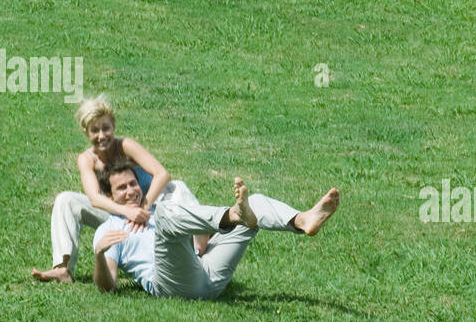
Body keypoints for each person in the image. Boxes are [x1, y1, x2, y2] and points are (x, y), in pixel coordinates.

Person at [91, 159, 340, 300]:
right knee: (168, 211)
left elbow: (201, 244)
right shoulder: (109, 228)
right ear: (108, 195)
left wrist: (200, 235)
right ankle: (232, 215)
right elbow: (107, 287)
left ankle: (301, 220)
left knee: (254, 203)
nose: (131, 191)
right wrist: (100, 255)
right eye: (121, 188)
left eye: (133, 183)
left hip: (207, 273)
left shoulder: (156, 209)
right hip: (171, 286)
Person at [31, 96, 206, 283]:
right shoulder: (87, 159)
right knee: (66, 200)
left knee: (178, 187)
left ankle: (200, 249)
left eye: (105, 128)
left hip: (151, 210)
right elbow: (94, 198)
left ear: (113, 126)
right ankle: (62, 268)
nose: (101, 135)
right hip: (116, 216)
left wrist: (143, 209)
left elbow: (162, 174)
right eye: (94, 130)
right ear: (85, 131)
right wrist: (127, 212)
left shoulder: (125, 146)